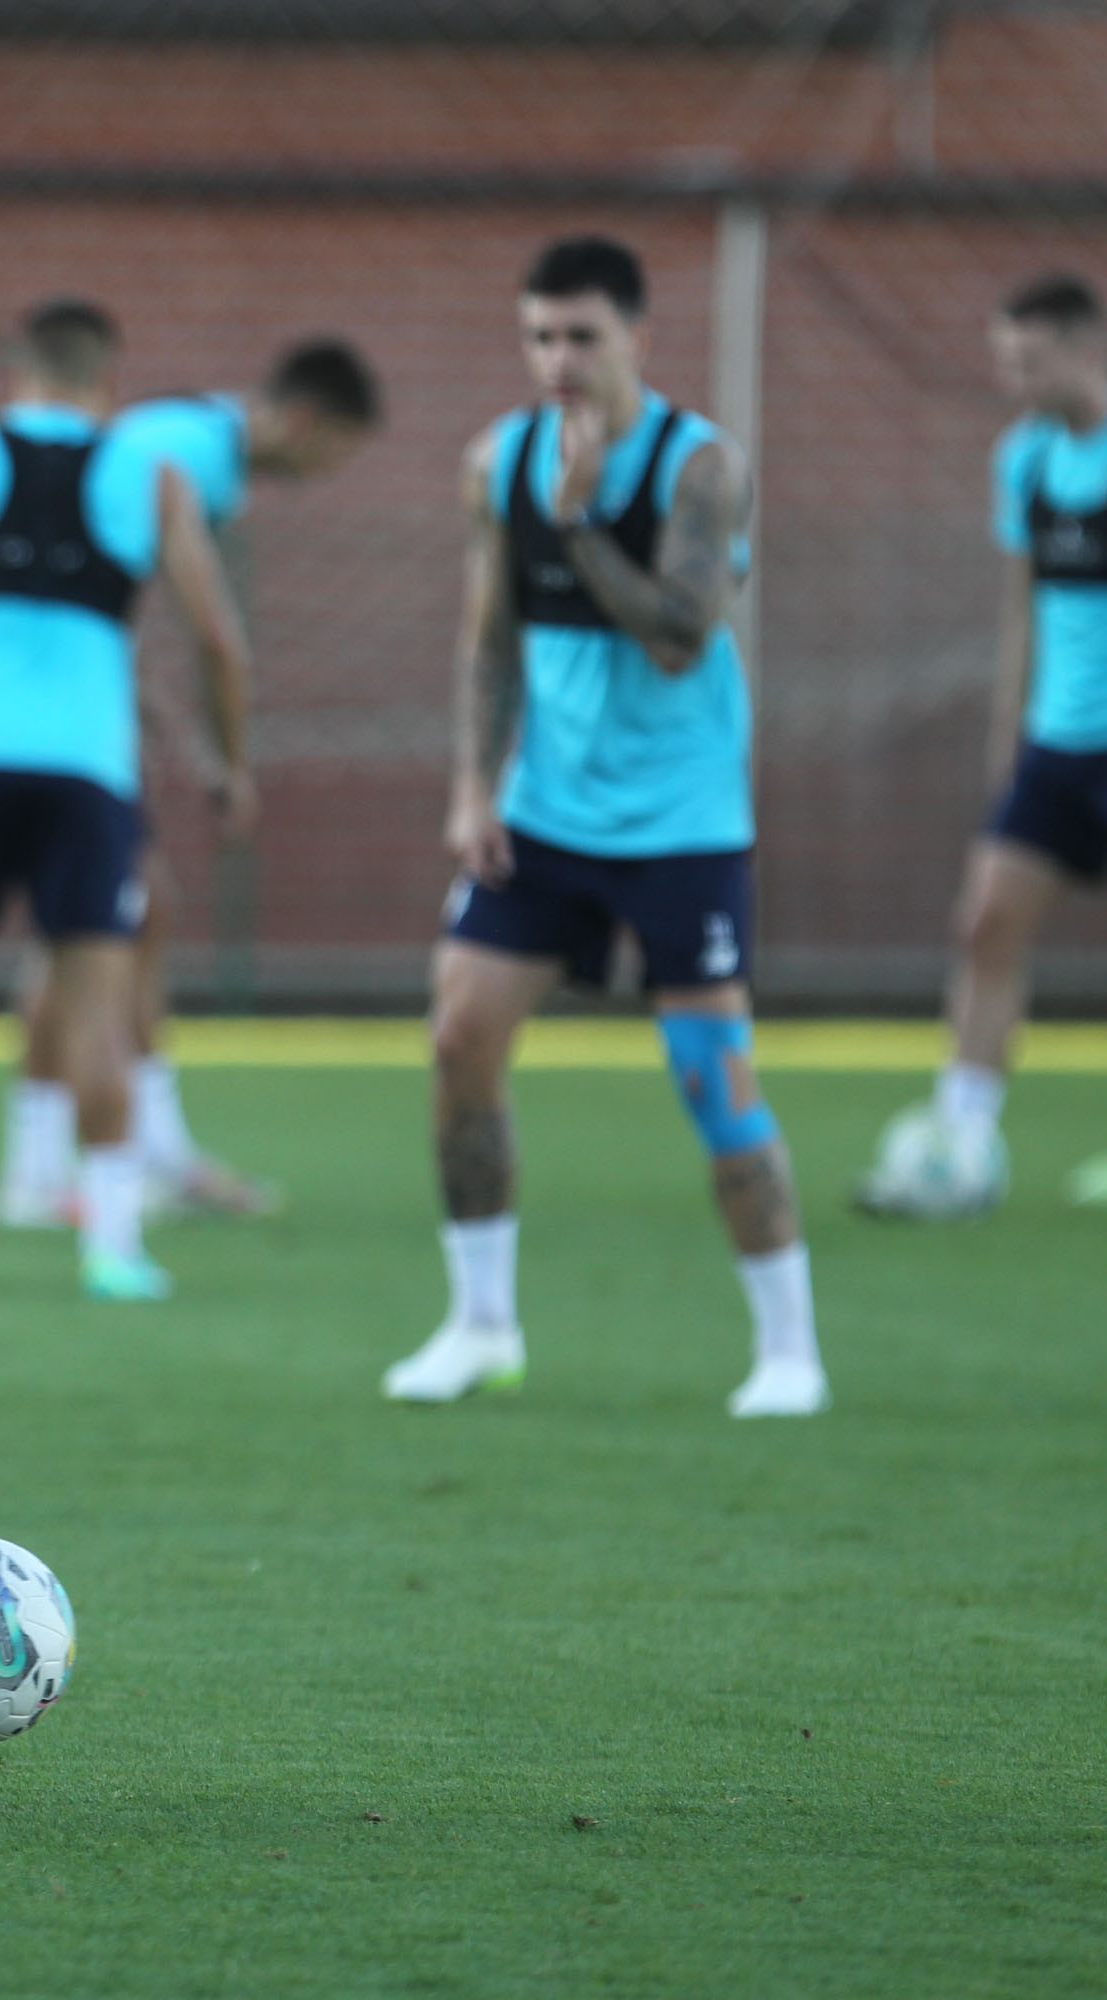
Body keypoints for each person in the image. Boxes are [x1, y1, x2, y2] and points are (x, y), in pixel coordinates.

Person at [380, 234, 825, 1420]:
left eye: (582, 335)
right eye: (539, 336)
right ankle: (481, 1323)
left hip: (681, 822)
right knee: (458, 1038)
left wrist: (579, 529)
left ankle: (788, 1346)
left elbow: (680, 634)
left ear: (638, 337)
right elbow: (490, 636)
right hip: (544, 814)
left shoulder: (699, 468)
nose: (558, 359)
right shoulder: (499, 461)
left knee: (711, 1081)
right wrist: (475, 786)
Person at [0, 300, 255, 1302]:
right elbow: (217, 639)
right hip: (86, 770)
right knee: (99, 1004)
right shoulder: (151, 475)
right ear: (107, 380)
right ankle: (113, 1246)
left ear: (17, 374)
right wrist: (229, 762)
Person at [0, 339, 382, 1230]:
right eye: (338, 453)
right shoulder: (192, 459)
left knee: (135, 916)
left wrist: (158, 717)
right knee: (88, 926)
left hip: (71, 713)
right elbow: (206, 632)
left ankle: (134, 1149)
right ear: (305, 421)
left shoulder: (196, 444)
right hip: (60, 724)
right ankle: (44, 1169)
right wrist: (226, 759)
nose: (329, 475)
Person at [855, 274, 1107, 1218]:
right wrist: (1011, 738)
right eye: (1004, 360)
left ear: (1085, 349)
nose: (1012, 377)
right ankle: (963, 1140)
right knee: (985, 924)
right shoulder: (1027, 461)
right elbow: (1021, 613)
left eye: (1028, 360)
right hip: (1056, 745)